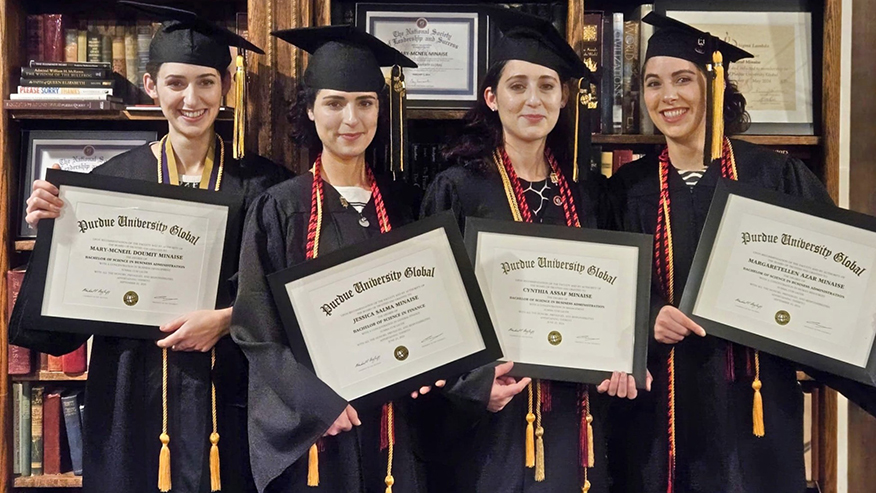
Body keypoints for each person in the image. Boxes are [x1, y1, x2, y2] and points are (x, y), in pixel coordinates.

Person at [9, 2, 289, 492]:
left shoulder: (265, 186)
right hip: (129, 389)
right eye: (176, 83)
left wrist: (229, 319)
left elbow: (290, 296)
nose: (191, 98)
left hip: (229, 389)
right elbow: (57, 326)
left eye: (206, 82)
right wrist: (53, 226)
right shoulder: (109, 183)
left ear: (226, 87)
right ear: (151, 85)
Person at [608, 12, 876, 493]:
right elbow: (604, 290)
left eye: (682, 79)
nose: (667, 96)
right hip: (659, 415)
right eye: (653, 83)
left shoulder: (775, 176)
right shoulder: (627, 188)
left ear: (714, 85)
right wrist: (649, 316)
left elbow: (837, 290)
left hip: (756, 406)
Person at [420, 8, 649, 493]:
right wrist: (477, 386)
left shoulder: (590, 198)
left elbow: (615, 307)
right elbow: (434, 310)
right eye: (517, 85)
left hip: (575, 418)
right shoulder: (457, 190)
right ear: (492, 97)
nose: (533, 100)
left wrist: (623, 356)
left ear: (563, 97)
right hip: (491, 423)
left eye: (547, 86)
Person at [229, 25, 432, 493]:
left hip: (392, 428)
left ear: (382, 109)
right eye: (335, 103)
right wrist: (316, 401)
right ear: (310, 108)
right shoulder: (279, 207)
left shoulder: (408, 207)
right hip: (317, 430)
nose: (351, 119)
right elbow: (255, 327)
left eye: (365, 102)